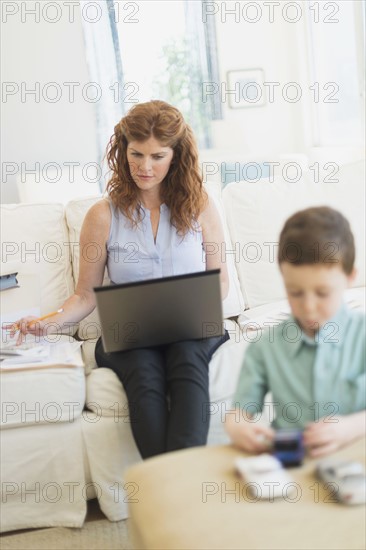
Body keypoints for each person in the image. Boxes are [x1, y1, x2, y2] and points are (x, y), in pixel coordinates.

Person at [8, 100, 230, 459]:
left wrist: (196, 309)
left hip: (192, 328)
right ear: (122, 150)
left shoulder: (200, 205)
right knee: (144, 374)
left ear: (176, 155)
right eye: (136, 154)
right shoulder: (102, 215)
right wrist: (46, 323)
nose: (145, 167)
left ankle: (177, 492)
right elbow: (84, 296)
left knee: (188, 361)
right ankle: (172, 492)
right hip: (129, 335)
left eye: (157, 156)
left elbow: (219, 282)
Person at [226, 206, 365, 458]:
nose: (309, 307)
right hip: (292, 467)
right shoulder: (265, 346)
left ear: (349, 278)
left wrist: (349, 428)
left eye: (322, 293)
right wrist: (239, 427)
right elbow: (239, 415)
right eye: (295, 292)